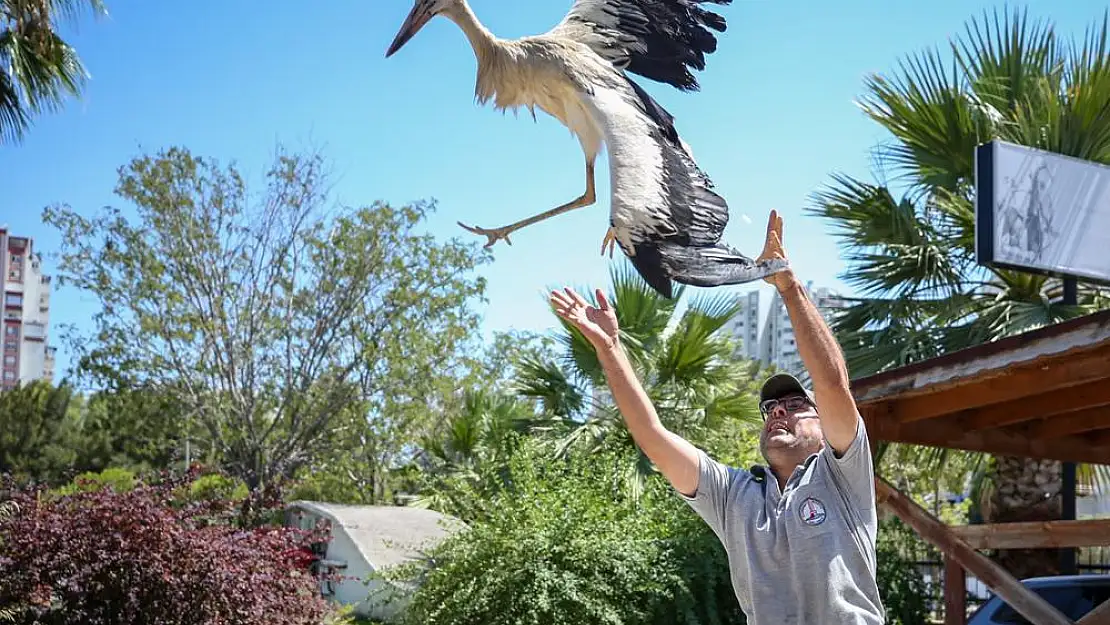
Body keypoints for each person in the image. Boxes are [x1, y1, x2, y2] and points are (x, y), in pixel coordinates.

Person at [550, 210, 884, 625]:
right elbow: (652, 436)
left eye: (796, 405)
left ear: (824, 426)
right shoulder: (733, 495)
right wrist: (610, 349)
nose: (778, 411)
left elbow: (832, 384)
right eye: (770, 409)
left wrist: (786, 282)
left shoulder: (841, 476)